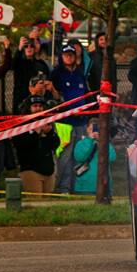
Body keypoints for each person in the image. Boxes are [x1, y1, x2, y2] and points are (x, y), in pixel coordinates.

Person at [51, 45, 90, 194]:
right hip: (64, 123)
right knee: (65, 157)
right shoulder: (56, 73)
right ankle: (63, 188)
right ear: (61, 56)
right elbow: (53, 95)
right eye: (66, 55)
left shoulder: (80, 74)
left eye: (71, 55)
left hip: (81, 121)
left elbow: (86, 94)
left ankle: (79, 187)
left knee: (80, 155)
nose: (69, 57)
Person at [12, 96, 60, 194]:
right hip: (30, 170)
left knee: (47, 204)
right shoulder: (21, 124)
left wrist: (49, 132)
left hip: (48, 170)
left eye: (40, 106)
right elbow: (20, 144)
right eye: (35, 106)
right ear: (28, 108)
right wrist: (36, 132)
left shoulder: (48, 122)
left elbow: (55, 144)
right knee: (35, 202)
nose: (38, 108)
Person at [73, 119, 116, 195]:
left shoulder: (105, 143)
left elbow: (112, 158)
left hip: (104, 185)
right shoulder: (81, 143)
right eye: (91, 129)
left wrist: (102, 140)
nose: (94, 131)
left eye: (97, 129)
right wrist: (89, 140)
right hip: (85, 187)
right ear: (87, 130)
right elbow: (80, 157)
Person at [13, 36, 51, 110]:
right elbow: (14, 63)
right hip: (22, 101)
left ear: (35, 49)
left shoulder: (41, 64)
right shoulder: (20, 63)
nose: (29, 48)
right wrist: (19, 49)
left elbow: (47, 80)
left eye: (31, 46)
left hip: (39, 102)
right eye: (26, 46)